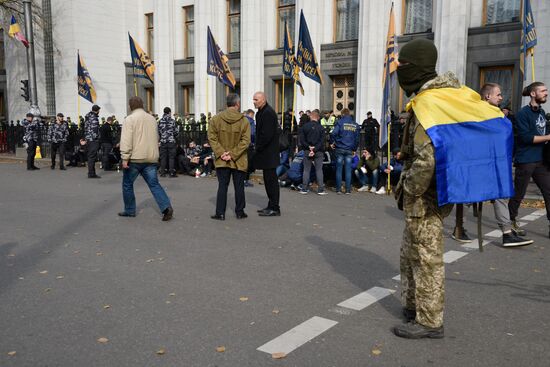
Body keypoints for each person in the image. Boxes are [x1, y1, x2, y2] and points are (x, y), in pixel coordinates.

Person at [393, 38, 455, 339]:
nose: (399, 71)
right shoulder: (438, 97)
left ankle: (430, 321)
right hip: (435, 191)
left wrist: (410, 189)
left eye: (403, 65)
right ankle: (414, 305)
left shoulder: (428, 103)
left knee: (427, 258)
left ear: (416, 67)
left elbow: (427, 158)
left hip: (426, 196)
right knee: (411, 253)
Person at [477, 83, 533, 247]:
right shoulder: (478, 112)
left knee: (501, 194)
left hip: (496, 161)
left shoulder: (497, 113)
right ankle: (459, 226)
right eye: (499, 94)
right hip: (481, 163)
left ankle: (507, 233)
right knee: (468, 195)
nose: (501, 98)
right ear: (488, 96)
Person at [119, 97, 173, 221]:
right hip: (151, 157)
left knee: (127, 184)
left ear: (130, 106)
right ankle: (166, 207)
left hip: (135, 158)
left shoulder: (129, 119)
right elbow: (157, 137)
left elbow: (126, 140)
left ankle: (130, 210)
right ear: (142, 105)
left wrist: (125, 157)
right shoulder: (152, 119)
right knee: (154, 184)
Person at [508, 81, 550, 239]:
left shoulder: (541, 112)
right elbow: (526, 138)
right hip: (526, 160)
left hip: (541, 161)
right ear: (533, 94)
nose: (546, 93)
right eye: (543, 91)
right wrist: (548, 137)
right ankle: (511, 222)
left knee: (549, 191)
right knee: (519, 193)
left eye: (546, 90)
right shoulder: (522, 114)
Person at [207, 93, 251, 220]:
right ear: (237, 104)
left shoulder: (215, 119)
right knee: (239, 186)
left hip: (222, 159)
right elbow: (246, 141)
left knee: (222, 186)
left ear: (226, 104)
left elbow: (212, 138)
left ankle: (220, 213)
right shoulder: (244, 121)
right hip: (239, 159)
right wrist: (232, 154)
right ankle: (240, 211)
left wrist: (222, 153)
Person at [253, 91, 281, 216]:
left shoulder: (268, 113)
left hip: (269, 154)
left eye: (256, 99)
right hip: (266, 154)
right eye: (253, 99)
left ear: (263, 100)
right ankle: (271, 205)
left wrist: (258, 147)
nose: (254, 102)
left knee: (271, 181)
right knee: (268, 180)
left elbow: (267, 135)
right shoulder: (260, 112)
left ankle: (275, 208)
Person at [331, 108, 360, 194]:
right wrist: (354, 148)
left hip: (340, 148)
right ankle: (348, 190)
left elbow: (333, 133)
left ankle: (339, 189)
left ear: (342, 114)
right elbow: (357, 139)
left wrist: (335, 142)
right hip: (349, 149)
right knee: (348, 169)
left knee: (339, 169)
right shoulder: (355, 124)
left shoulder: (340, 122)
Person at [298, 109, 327, 195]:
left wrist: (309, 147)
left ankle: (304, 188)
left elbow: (302, 140)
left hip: (307, 150)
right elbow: (322, 141)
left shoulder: (305, 127)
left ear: (311, 117)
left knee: (306, 170)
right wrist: (314, 149)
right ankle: (321, 189)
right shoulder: (321, 128)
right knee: (319, 170)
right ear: (318, 118)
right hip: (318, 151)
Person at [158, 107, 179, 177]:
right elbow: (176, 132)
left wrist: (162, 137)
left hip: (163, 141)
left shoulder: (160, 121)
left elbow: (158, 131)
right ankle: (171, 172)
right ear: (169, 112)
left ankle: (163, 172)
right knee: (171, 157)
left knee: (163, 157)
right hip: (171, 141)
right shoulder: (172, 121)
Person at [84, 104, 101, 178]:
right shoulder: (94, 118)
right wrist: (96, 138)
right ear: (97, 110)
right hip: (93, 140)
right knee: (92, 157)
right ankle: (91, 173)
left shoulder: (88, 117)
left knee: (90, 156)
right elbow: (95, 129)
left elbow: (85, 128)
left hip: (88, 138)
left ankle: (91, 172)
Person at [244, 109, 256, 187]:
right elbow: (252, 133)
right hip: (249, 145)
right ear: (251, 114)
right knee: (248, 163)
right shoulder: (250, 121)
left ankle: (243, 180)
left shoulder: (242, 120)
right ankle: (245, 180)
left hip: (242, 144)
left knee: (244, 163)